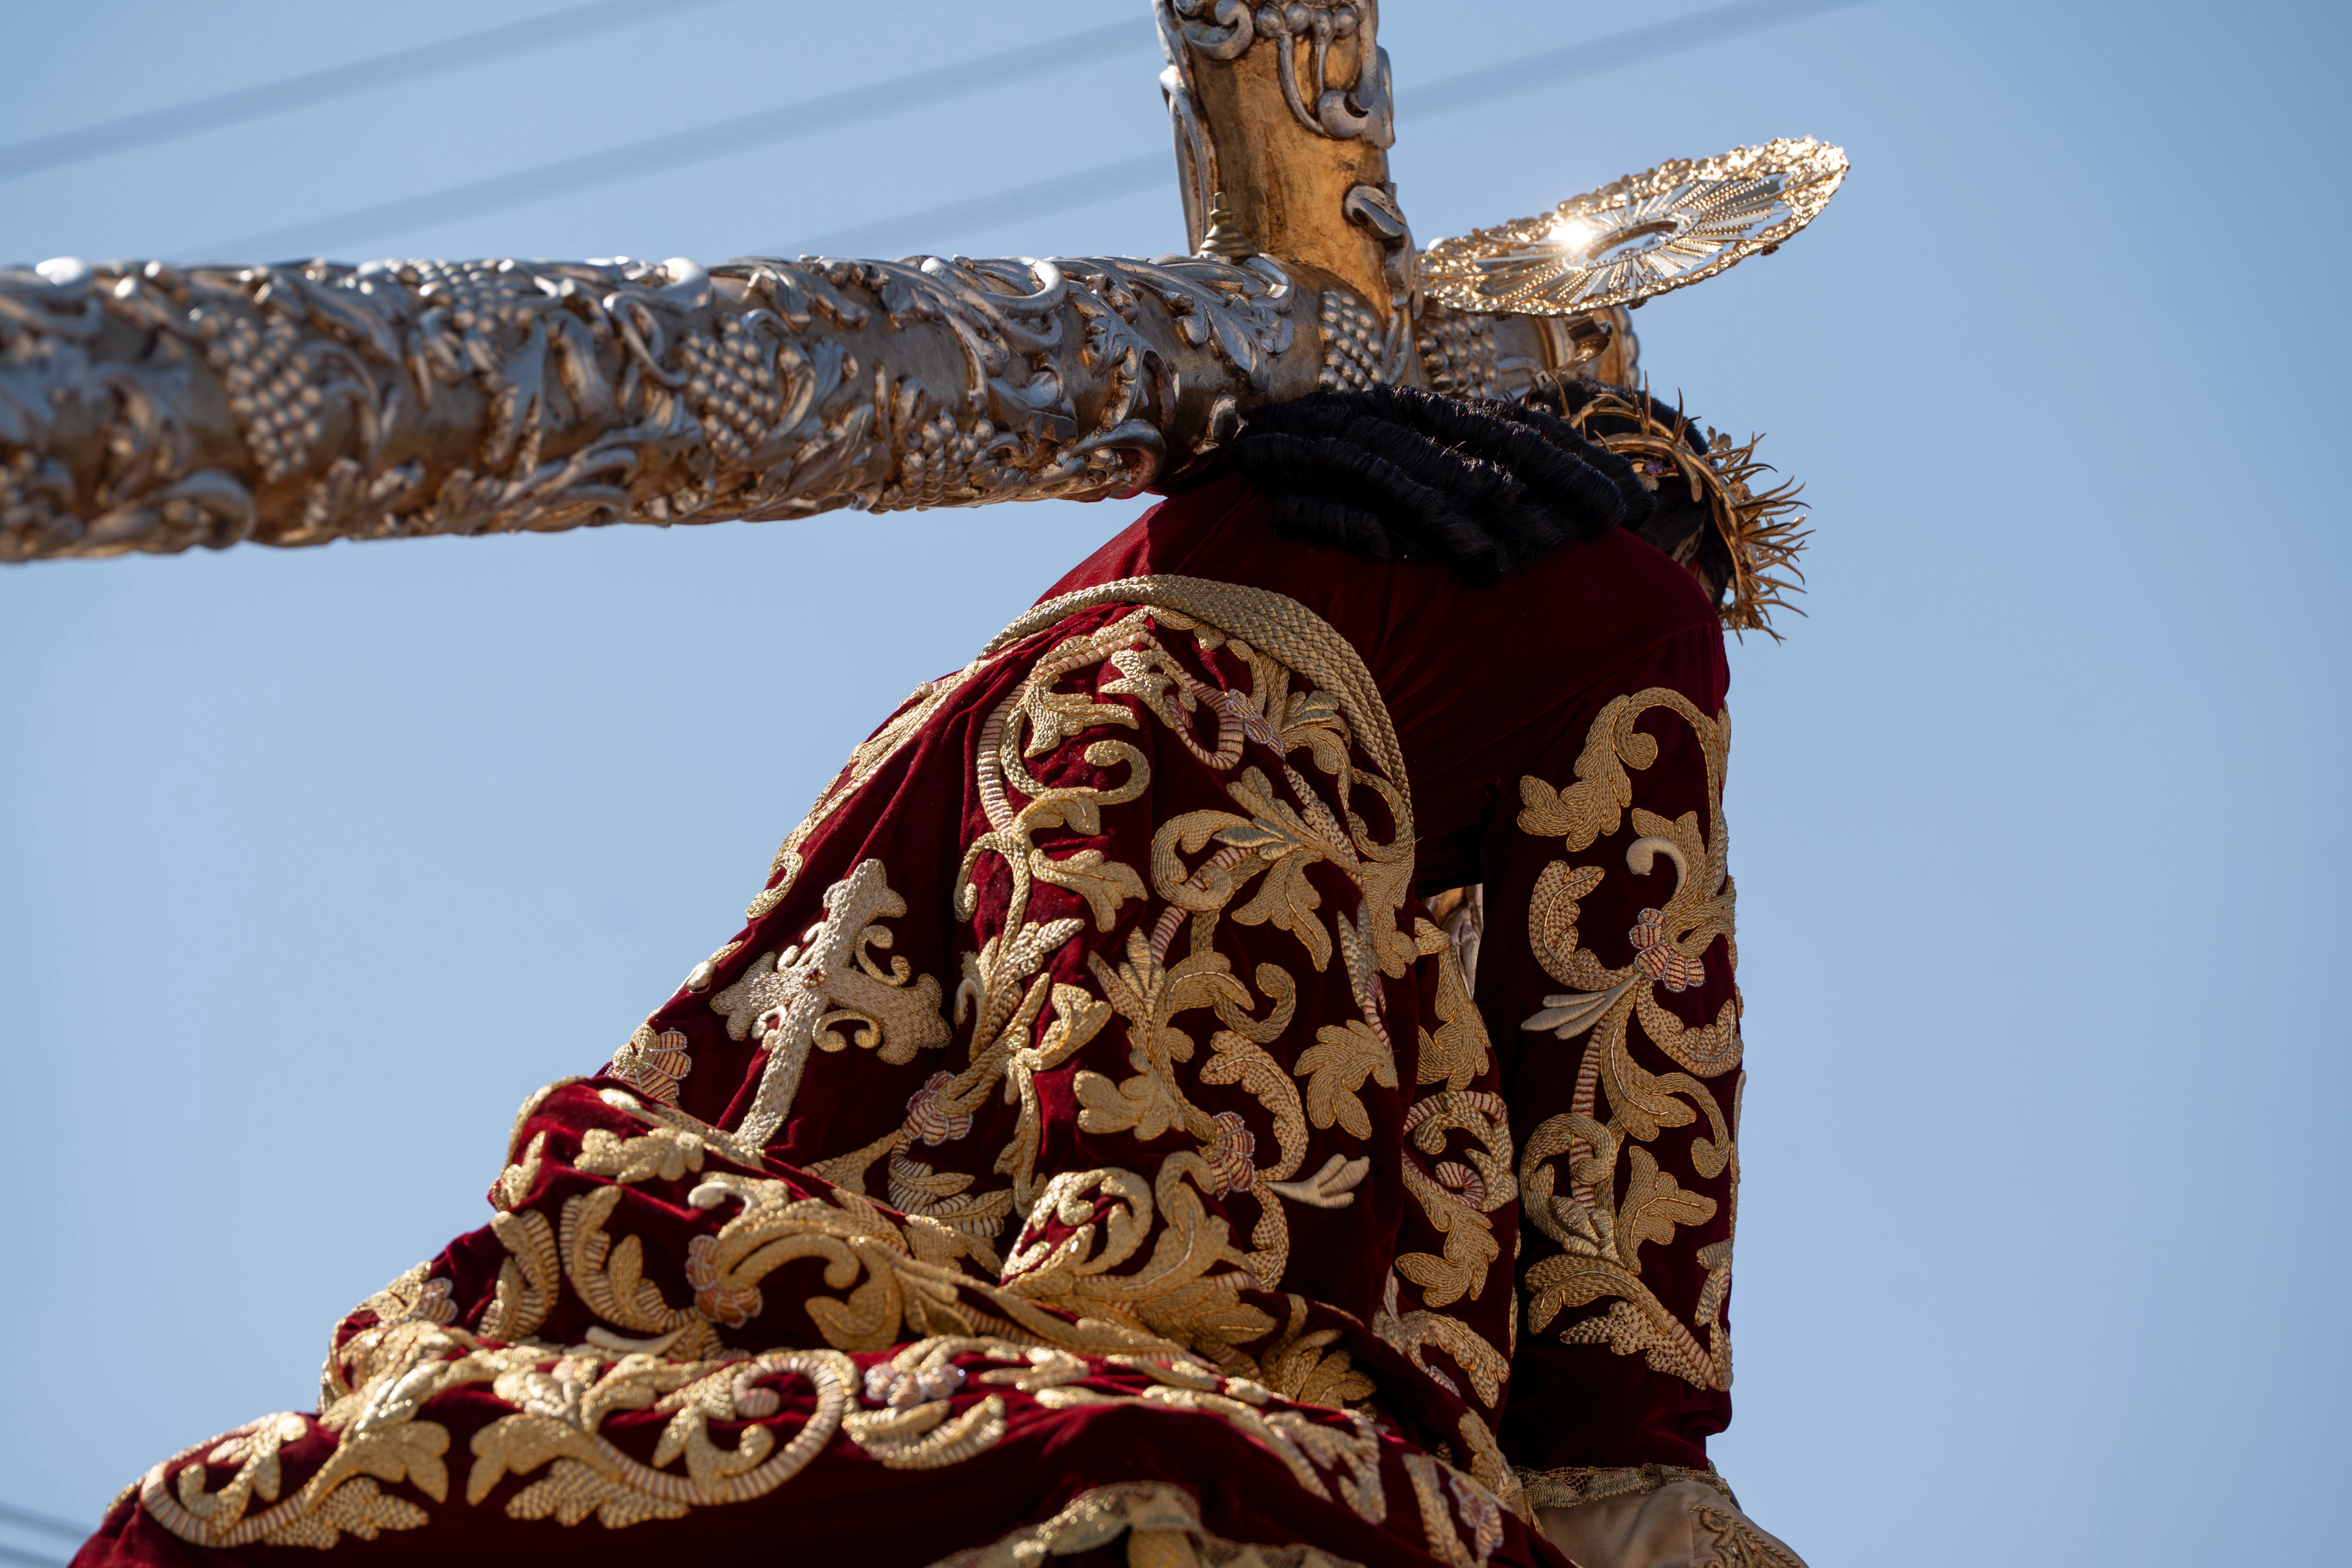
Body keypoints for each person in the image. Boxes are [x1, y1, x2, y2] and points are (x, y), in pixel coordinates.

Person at [76, 379, 1809, 1568]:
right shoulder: (1634, 602)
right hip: (1224, 863)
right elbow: (1627, 1007)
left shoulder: (1227, 514)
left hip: (913, 879)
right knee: (1211, 1433)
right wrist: (1629, 1447)